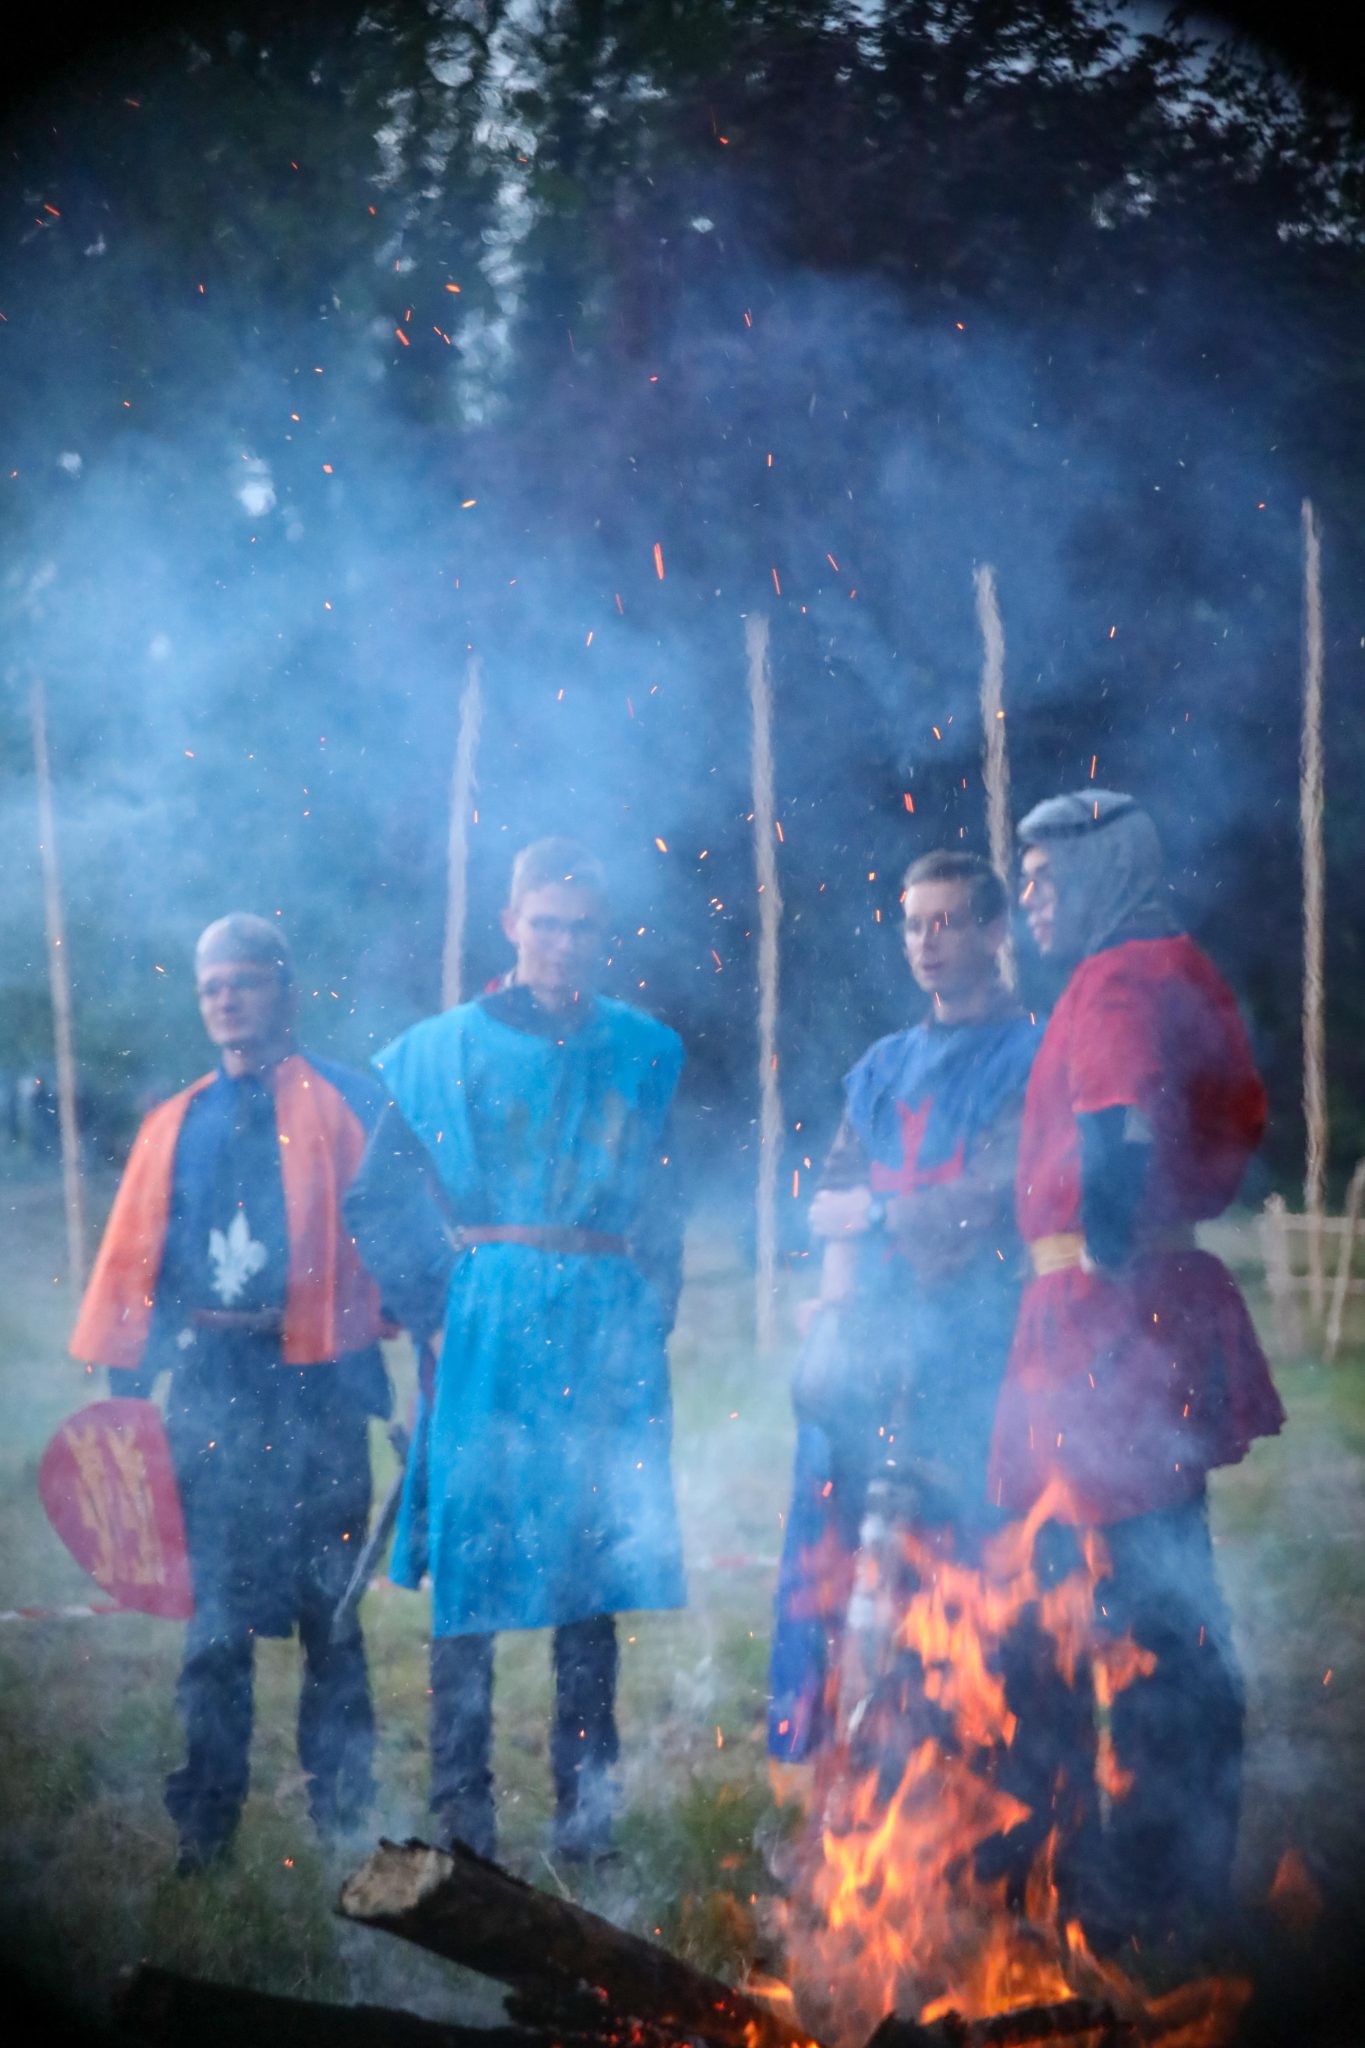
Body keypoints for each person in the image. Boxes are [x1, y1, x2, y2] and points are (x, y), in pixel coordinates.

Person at [345, 838, 686, 1863]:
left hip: (602, 1322)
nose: (564, 943)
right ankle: (464, 1818)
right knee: (475, 1563)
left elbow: (666, 1190)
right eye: (546, 923)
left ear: (602, 933)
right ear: (511, 924)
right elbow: (376, 1196)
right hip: (488, 1320)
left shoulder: (641, 1048)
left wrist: (653, 1299)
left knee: (589, 1567)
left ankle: (586, 1818)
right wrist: (432, 1307)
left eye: (583, 926)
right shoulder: (443, 1050)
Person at [990, 788, 1285, 1945]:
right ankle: (1172, 1857)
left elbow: (1115, 1122)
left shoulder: (1115, 976)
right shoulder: (1179, 965)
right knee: (1162, 1589)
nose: (1027, 897)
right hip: (1146, 1304)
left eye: (1047, 875)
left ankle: (1139, 1878)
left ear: (1110, 869)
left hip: (1104, 1322)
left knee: (1121, 1600)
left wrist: (1107, 1242)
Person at [69, 915, 391, 1874]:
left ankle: (349, 1830)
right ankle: (205, 1831)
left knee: (330, 1619)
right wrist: (128, 1402)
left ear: (285, 992)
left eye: (245, 981)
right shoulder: (177, 1123)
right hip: (210, 1393)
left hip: (319, 1389)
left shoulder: (349, 1104)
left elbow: (397, 1246)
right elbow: (139, 1268)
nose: (225, 998)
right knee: (213, 1629)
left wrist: (415, 1375)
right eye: (211, 984)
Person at [767, 850, 1041, 1771]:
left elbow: (1000, 1190)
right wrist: (836, 1314)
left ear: (994, 933)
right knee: (839, 1548)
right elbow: (839, 1192)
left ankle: (960, 1759)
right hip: (871, 1344)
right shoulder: (882, 1067)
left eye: (947, 922)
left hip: (977, 1337)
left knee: (960, 1549)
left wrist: (882, 1213)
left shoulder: (1030, 1055)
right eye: (913, 923)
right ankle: (842, 1763)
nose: (925, 943)